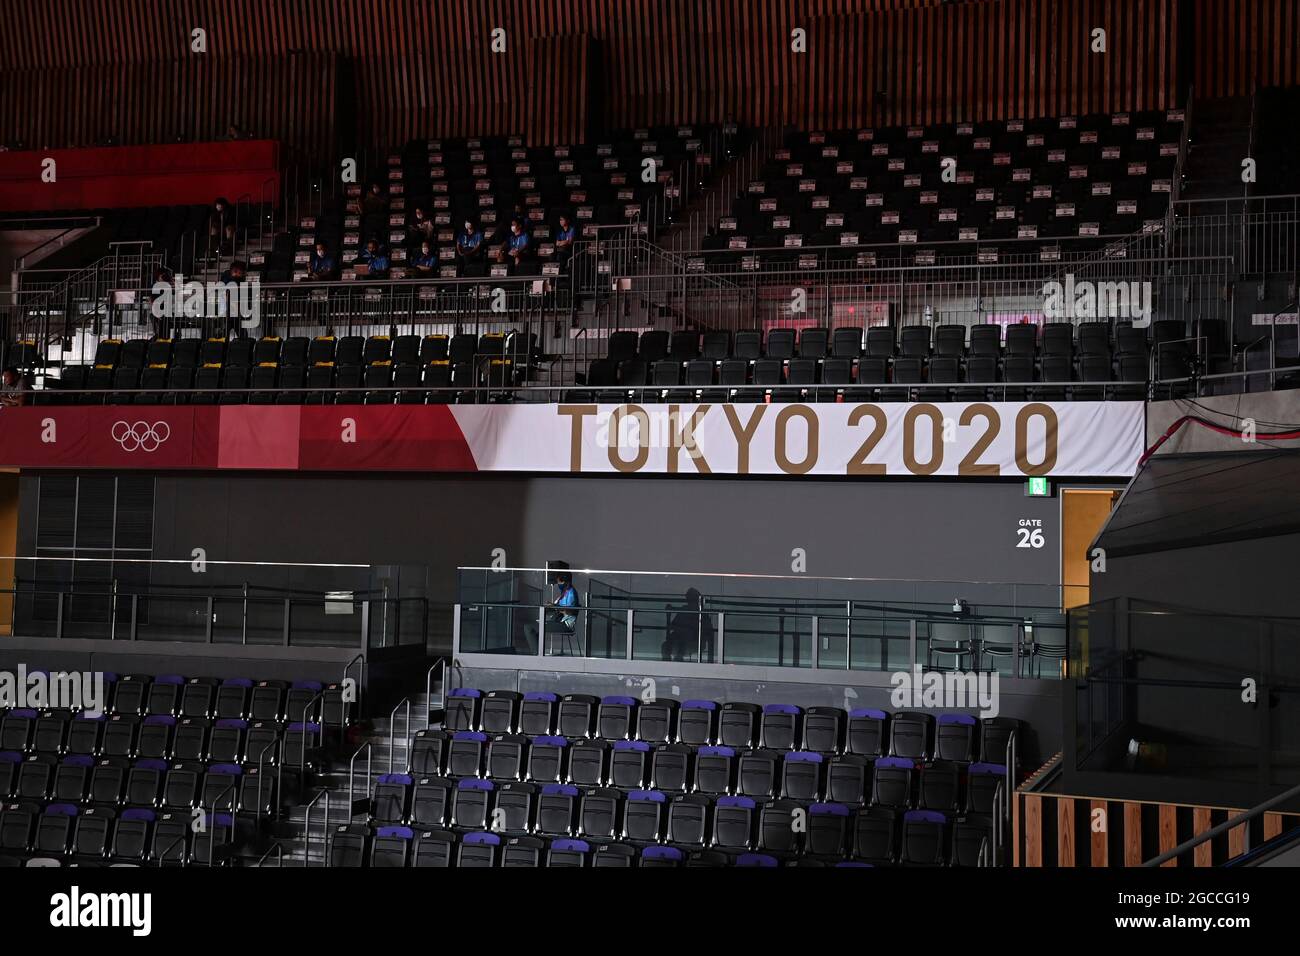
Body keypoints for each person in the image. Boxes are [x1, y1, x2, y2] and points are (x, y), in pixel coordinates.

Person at [662, 588, 713, 662]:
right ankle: (666, 664)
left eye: (692, 599)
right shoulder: (684, 610)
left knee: (682, 643)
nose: (691, 601)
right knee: (665, 646)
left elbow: (708, 631)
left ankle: (678, 661)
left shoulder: (703, 614)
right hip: (678, 640)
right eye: (689, 599)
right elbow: (673, 626)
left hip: (695, 641)